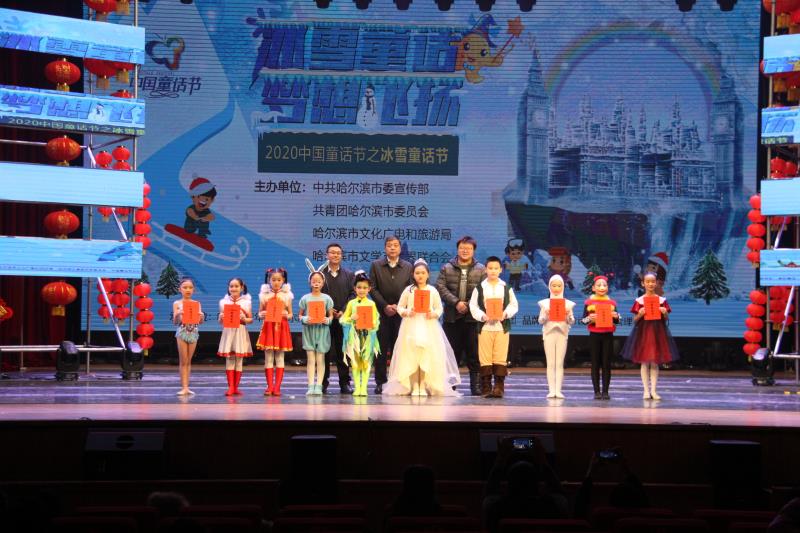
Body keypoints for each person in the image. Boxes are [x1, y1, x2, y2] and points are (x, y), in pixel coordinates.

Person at [383, 259, 461, 396]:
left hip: (428, 326)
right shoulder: (409, 290)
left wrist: (433, 314)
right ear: (413, 274)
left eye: (423, 273)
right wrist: (407, 312)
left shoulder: (432, 290)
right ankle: (414, 385)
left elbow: (439, 308)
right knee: (412, 356)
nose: (420, 275)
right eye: (417, 273)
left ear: (428, 274)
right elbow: (400, 307)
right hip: (411, 326)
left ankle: (423, 385)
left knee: (426, 355)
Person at [436, 236, 485, 396]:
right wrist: (456, 302)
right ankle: (451, 385)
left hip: (473, 319)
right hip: (452, 317)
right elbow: (440, 287)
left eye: (468, 248)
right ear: (457, 249)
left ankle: (475, 386)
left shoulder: (481, 269)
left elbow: (483, 290)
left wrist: (469, 304)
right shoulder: (447, 267)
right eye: (462, 248)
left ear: (473, 250)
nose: (465, 251)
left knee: (474, 354)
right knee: (451, 354)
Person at [621, 272, 679, 400]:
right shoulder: (639, 301)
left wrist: (664, 313)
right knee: (644, 361)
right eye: (647, 282)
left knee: (654, 362)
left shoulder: (661, 300)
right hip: (644, 332)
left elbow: (666, 318)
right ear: (643, 284)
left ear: (656, 283)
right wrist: (640, 314)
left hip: (658, 332)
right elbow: (635, 320)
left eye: (653, 281)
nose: (650, 284)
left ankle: (654, 390)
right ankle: (646, 390)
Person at [469, 256, 519, 398]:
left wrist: (505, 314)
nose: (493, 271)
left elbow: (513, 305)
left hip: (501, 327)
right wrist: (482, 316)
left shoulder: (506, 287)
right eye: (490, 268)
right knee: (485, 357)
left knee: (500, 357)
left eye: (496, 268)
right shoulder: (479, 288)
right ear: (485, 269)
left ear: (501, 270)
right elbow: (473, 306)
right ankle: (486, 387)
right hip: (485, 327)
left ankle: (498, 387)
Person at [369, 235, 413, 394]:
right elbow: (372, 288)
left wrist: (399, 306)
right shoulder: (376, 265)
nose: (392, 248)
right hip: (382, 314)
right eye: (389, 245)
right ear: (385, 248)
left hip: (401, 315)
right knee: (380, 349)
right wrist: (385, 306)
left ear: (400, 248)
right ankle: (380, 382)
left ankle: (398, 381)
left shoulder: (408, 266)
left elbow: (411, 288)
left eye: (395, 245)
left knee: (399, 349)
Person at [321, 243, 354, 394]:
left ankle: (344, 383)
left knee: (343, 352)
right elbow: (315, 294)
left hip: (343, 319)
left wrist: (343, 310)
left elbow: (353, 295)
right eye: (332, 252)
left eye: (338, 253)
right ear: (326, 255)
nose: (335, 255)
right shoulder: (320, 275)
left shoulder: (349, 275)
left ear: (341, 256)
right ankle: (322, 383)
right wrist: (328, 310)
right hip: (325, 320)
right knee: (324, 352)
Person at [340, 271, 380, 396]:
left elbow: (377, 320)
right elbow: (342, 319)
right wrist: (351, 318)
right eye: (359, 287)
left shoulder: (371, 304)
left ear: (369, 289)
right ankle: (357, 387)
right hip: (355, 338)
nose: (362, 290)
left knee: (366, 362)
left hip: (367, 337)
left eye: (364, 288)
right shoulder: (351, 303)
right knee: (355, 363)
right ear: (355, 288)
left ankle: (364, 388)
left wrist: (373, 324)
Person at [298, 260, 334, 396]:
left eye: (319, 281)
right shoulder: (305, 298)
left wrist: (328, 320)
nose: (316, 283)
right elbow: (300, 315)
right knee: (310, 359)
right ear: (310, 282)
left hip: (322, 331)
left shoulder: (327, 298)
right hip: (309, 331)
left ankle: (319, 385)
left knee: (320, 359)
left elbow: (331, 315)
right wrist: (304, 319)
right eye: (314, 281)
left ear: (323, 283)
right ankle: (310, 385)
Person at [537, 274, 576, 399]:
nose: (556, 288)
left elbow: (571, 321)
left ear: (563, 287)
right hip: (549, 334)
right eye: (554, 286)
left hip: (562, 334)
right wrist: (546, 314)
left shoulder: (567, 304)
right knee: (550, 363)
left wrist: (568, 315)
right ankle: (551, 390)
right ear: (549, 287)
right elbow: (540, 321)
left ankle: (558, 390)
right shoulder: (545, 304)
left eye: (559, 286)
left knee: (559, 363)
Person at [582, 275, 620, 400]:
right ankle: (597, 391)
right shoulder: (589, 302)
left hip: (608, 335)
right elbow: (583, 320)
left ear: (607, 287)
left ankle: (605, 391)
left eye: (604, 285)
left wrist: (616, 316)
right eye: (599, 285)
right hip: (594, 335)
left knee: (606, 364)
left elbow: (617, 321)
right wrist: (589, 318)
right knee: (595, 363)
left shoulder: (612, 303)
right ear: (593, 288)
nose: (602, 287)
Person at [256, 268, 293, 396]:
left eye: (279, 280)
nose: (276, 282)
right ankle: (269, 386)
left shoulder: (287, 295)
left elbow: (291, 314)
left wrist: (286, 314)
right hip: (268, 327)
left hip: (281, 327)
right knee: (268, 358)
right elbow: (259, 313)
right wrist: (262, 314)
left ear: (283, 280)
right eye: (273, 280)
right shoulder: (264, 295)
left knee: (280, 357)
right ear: (269, 280)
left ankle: (277, 387)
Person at [217, 277, 253, 396]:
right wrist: (220, 318)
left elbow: (251, 319)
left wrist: (244, 319)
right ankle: (231, 387)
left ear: (242, 288)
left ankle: (236, 387)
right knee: (230, 359)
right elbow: (220, 321)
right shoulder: (223, 302)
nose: (233, 288)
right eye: (231, 286)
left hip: (240, 331)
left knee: (239, 360)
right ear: (228, 288)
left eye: (236, 286)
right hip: (228, 332)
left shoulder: (246, 302)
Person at [172, 277, 204, 396]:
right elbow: (175, 322)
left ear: (193, 290)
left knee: (189, 361)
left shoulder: (196, 303)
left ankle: (187, 387)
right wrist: (178, 314)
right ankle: (183, 387)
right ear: (180, 289)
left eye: (190, 288)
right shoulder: (177, 303)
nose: (188, 290)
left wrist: (201, 316)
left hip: (194, 332)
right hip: (182, 332)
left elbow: (199, 322)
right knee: (183, 361)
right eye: (185, 287)